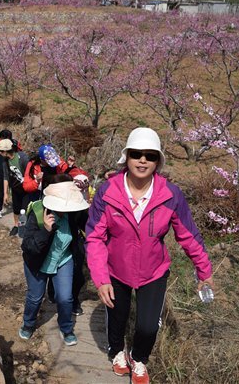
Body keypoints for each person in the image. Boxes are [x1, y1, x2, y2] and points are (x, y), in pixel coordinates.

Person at [85, 127, 214, 383]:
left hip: (153, 271)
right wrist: (101, 279)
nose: (142, 160)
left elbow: (188, 235)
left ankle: (139, 357)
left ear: (158, 161)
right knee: (117, 316)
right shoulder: (108, 192)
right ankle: (116, 351)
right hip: (115, 269)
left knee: (146, 325)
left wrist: (204, 272)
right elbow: (95, 237)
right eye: (136, 154)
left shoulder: (170, 195)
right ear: (127, 157)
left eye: (150, 155)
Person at [19, 179, 89, 347]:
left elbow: (89, 224)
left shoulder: (72, 213)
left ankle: (66, 328)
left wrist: (84, 194)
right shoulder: (37, 212)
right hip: (38, 263)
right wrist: (46, 231)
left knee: (65, 298)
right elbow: (28, 246)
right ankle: (28, 323)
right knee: (35, 297)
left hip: (63, 259)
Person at [0, 139, 29, 236]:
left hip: (26, 189)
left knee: (24, 210)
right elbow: (6, 177)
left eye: (0, 151)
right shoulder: (5, 161)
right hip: (15, 188)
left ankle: (23, 227)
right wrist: (5, 193)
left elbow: (29, 174)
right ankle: (16, 226)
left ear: (6, 151)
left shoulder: (23, 158)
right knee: (16, 209)